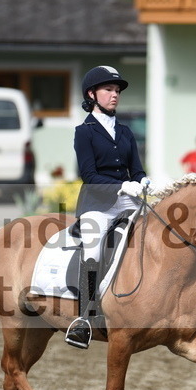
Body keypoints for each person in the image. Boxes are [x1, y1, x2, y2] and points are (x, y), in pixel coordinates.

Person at [66, 65, 149, 349]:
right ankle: (85, 320)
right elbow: (89, 176)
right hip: (97, 204)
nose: (115, 95)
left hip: (127, 200)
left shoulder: (125, 132)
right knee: (93, 248)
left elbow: (136, 169)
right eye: (108, 90)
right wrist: (123, 185)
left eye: (117, 91)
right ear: (92, 94)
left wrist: (143, 181)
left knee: (160, 235)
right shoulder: (84, 132)